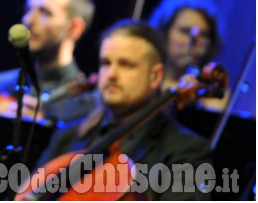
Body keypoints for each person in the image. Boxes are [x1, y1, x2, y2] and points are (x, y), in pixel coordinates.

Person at [27, 20, 213, 200]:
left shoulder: (186, 151)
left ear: (155, 76)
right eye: (106, 63)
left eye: (126, 64)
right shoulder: (68, 136)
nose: (111, 74)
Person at [0, 0, 98, 123]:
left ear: (74, 28)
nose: (28, 20)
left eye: (45, 13)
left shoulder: (85, 103)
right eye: (28, 10)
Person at [148, 0, 226, 110]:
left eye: (204, 34)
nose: (194, 40)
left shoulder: (211, 95)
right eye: (185, 31)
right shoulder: (145, 83)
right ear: (164, 33)